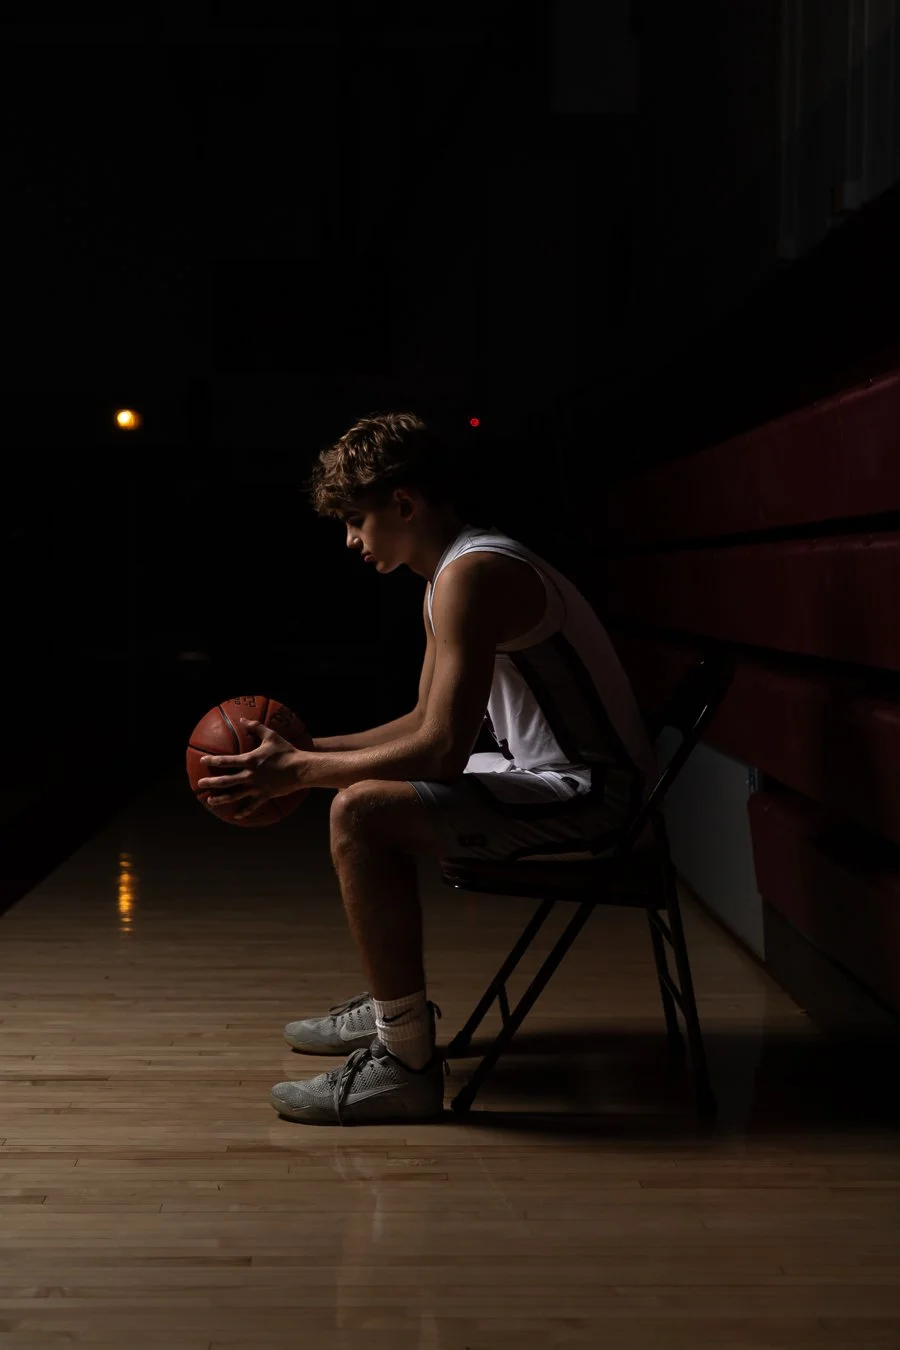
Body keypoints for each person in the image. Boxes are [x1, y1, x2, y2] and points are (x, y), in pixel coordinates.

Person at [197, 411, 657, 1125]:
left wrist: (302, 772)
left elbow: (440, 750)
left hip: (591, 797)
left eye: (355, 519)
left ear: (403, 503)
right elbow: (421, 722)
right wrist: (307, 752)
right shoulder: (452, 572)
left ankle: (405, 1062)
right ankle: (393, 1012)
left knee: (360, 812)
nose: (350, 539)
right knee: (358, 792)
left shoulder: (474, 576)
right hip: (553, 776)